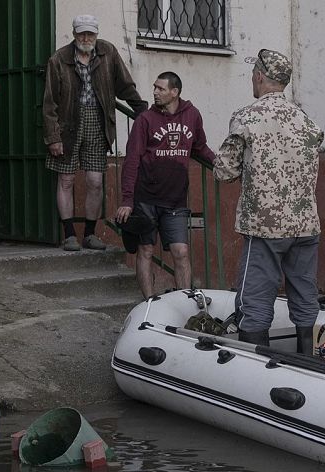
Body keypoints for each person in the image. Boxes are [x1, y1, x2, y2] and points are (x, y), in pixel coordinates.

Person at [213, 49, 324, 352]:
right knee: (305, 297)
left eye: (253, 74)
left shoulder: (247, 117)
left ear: (260, 76)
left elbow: (224, 170)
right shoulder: (307, 121)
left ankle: (257, 374)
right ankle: (311, 365)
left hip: (265, 227)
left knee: (255, 302)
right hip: (305, 226)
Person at [43, 14, 148, 251]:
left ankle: (90, 233)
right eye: (82, 33)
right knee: (66, 179)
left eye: (90, 33)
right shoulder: (59, 59)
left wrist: (141, 109)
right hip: (67, 123)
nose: (86, 38)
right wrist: (53, 137)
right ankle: (69, 234)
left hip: (98, 121)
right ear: (74, 34)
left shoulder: (107, 52)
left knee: (95, 180)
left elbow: (124, 84)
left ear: (96, 34)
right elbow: (50, 103)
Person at [115, 71, 215, 298]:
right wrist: (127, 200)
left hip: (175, 199)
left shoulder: (192, 115)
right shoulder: (145, 120)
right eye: (155, 87)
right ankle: (149, 302)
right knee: (146, 250)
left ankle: (185, 303)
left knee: (181, 252)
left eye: (160, 88)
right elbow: (132, 160)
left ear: (174, 92)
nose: (155, 92)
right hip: (145, 198)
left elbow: (201, 147)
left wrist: (218, 163)